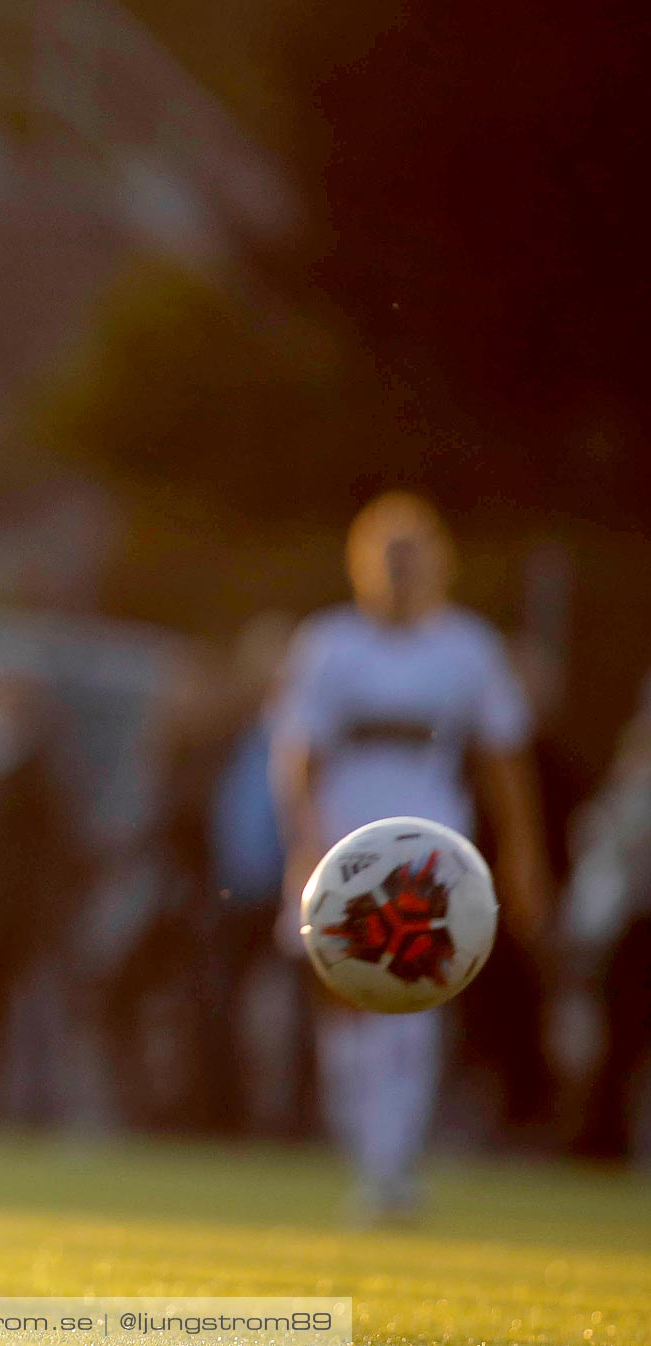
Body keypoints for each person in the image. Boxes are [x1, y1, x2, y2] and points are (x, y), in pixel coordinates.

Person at [271, 492, 549, 1224]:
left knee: (413, 1009)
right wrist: (303, 840)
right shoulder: (329, 644)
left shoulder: (467, 648)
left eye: (412, 557)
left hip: (429, 860)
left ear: (437, 564)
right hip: (342, 854)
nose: (399, 573)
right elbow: (297, 753)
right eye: (386, 559)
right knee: (343, 1010)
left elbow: (502, 760)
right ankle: (364, 1145)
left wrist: (522, 858)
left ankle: (390, 1166)